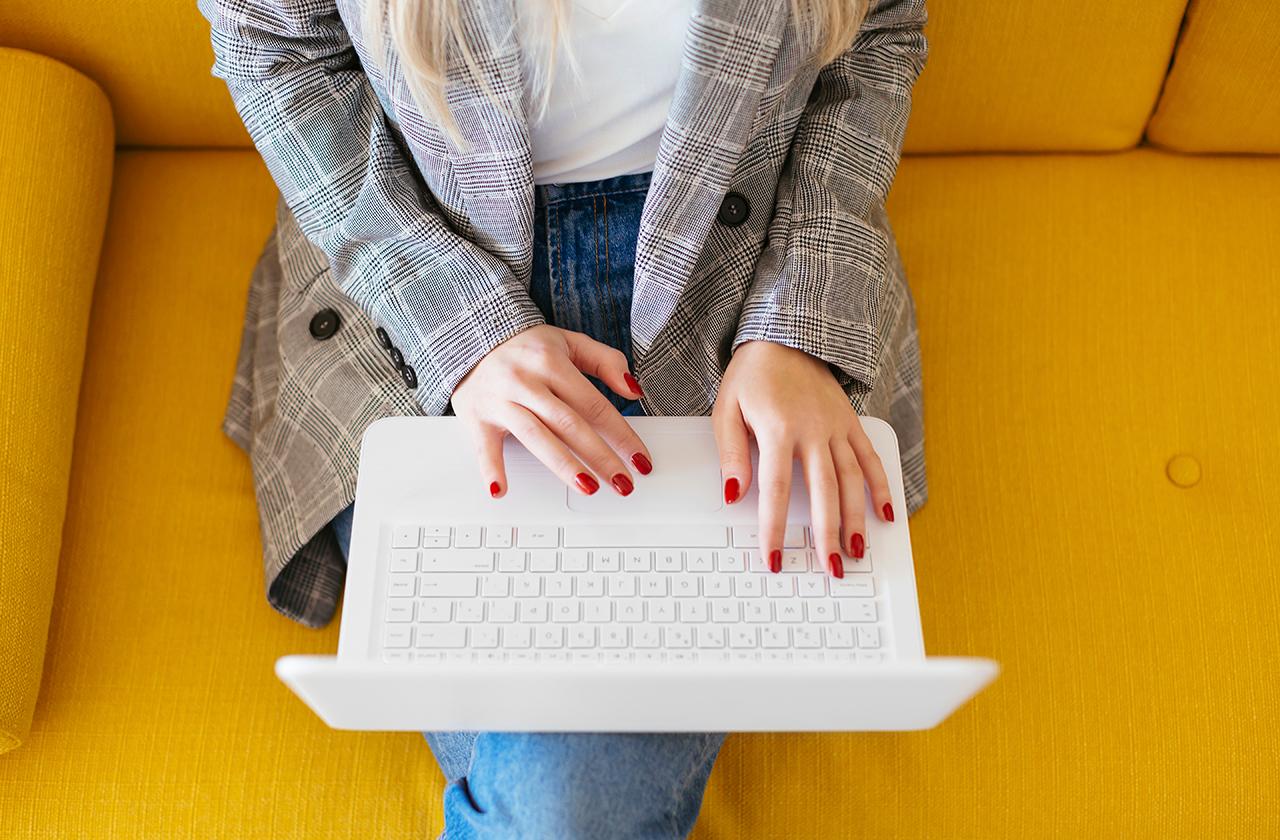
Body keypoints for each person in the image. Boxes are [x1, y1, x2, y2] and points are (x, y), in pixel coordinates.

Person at [200, 0, 929, 836]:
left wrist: (796, 324)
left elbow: (878, 29)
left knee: (558, 807)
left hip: (742, 279)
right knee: (559, 809)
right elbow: (274, 44)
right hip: (418, 260)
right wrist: (459, 326)